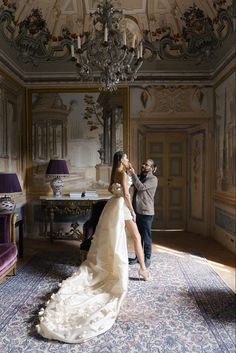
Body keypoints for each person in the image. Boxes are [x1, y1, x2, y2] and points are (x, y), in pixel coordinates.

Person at [36, 151, 149, 344]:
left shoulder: (116, 172)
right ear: (121, 159)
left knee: (119, 240)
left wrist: (130, 173)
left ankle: (140, 267)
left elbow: (114, 190)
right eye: (127, 158)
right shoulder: (122, 173)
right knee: (135, 236)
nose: (129, 160)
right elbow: (126, 194)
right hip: (121, 207)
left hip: (114, 206)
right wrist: (131, 210)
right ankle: (142, 269)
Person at [128, 159, 158, 268]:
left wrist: (132, 174)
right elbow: (130, 184)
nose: (144, 165)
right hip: (136, 211)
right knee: (138, 236)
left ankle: (147, 258)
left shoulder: (153, 179)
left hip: (146, 212)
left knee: (146, 237)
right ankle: (138, 257)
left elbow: (141, 187)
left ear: (153, 168)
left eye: (147, 165)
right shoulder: (140, 177)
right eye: (143, 164)